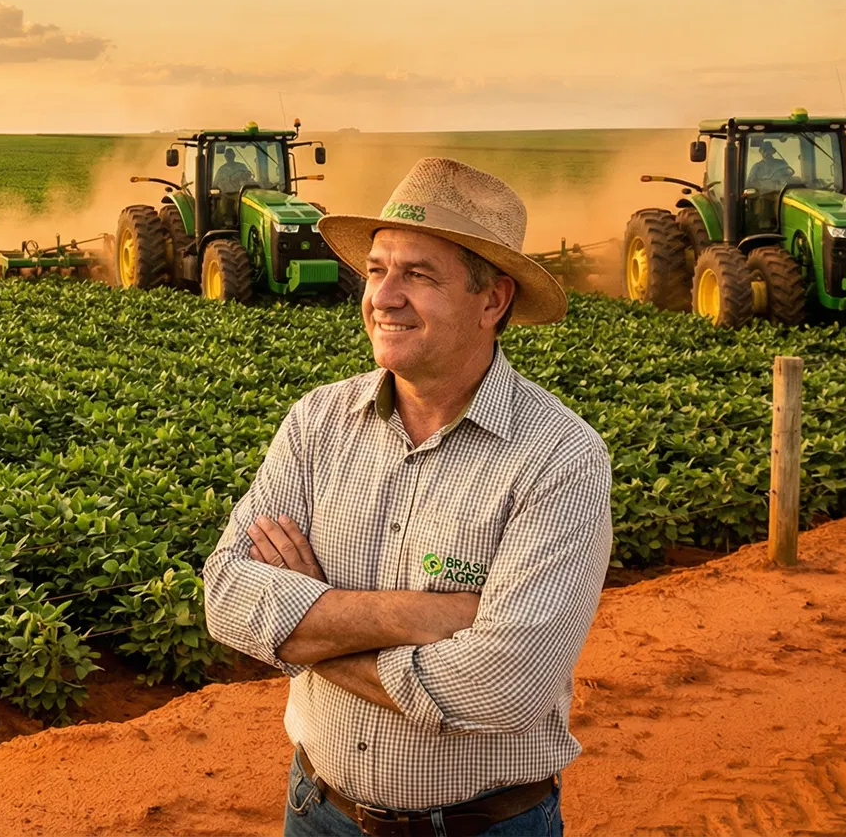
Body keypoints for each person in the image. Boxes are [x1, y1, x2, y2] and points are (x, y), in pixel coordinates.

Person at [203, 157, 612, 837]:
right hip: (318, 811)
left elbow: (505, 685)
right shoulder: (316, 422)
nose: (383, 296)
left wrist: (311, 627)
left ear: (493, 300)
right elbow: (227, 595)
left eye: (417, 275)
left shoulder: (559, 458)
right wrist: (423, 617)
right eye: (376, 270)